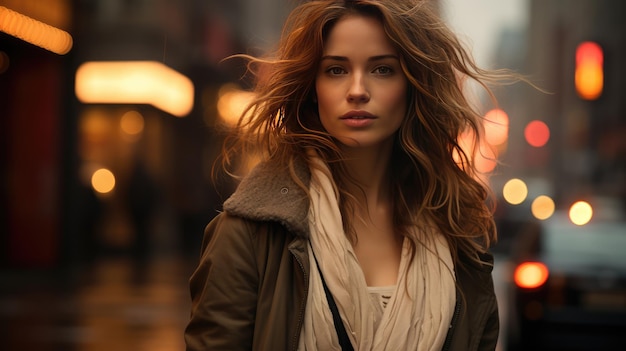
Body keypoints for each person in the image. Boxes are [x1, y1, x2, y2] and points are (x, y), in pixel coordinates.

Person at [186, 0, 513, 350]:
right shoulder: (250, 233)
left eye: (382, 70)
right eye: (336, 71)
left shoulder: (459, 240)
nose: (357, 90)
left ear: (413, 86)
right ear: (313, 88)